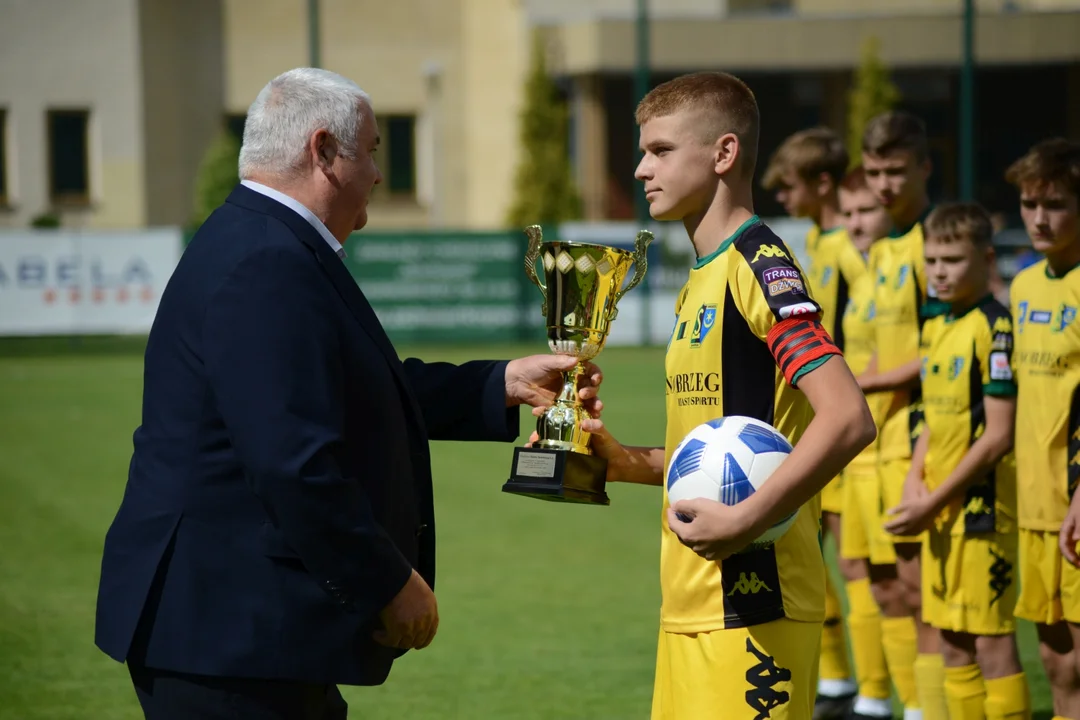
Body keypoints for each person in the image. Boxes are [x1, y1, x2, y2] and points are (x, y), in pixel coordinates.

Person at [93, 67, 600, 720]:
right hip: (226, 637)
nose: (380, 175)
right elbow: (290, 458)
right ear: (324, 152)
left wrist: (497, 383)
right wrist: (386, 581)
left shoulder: (260, 241)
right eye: (373, 152)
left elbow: (343, 390)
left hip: (237, 632)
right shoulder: (266, 261)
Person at [557, 71, 876, 720]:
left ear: (724, 153)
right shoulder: (700, 278)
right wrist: (619, 460)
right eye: (644, 151)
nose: (642, 168)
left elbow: (847, 418)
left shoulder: (759, 266)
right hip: (689, 600)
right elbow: (707, 452)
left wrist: (747, 519)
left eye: (662, 150)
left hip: (756, 598)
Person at [885, 203, 1031, 720]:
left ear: (985, 258)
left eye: (951, 259)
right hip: (938, 507)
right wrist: (912, 484)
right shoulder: (938, 321)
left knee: (990, 645)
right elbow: (933, 420)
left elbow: (998, 436)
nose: (938, 271)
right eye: (931, 259)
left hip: (981, 510)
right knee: (949, 640)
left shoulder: (996, 327)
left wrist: (934, 502)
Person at [762, 127, 871, 720]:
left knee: (852, 562)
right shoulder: (813, 245)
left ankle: (868, 689)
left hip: (847, 420)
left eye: (790, 185)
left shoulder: (851, 252)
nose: (783, 196)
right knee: (815, 549)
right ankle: (835, 680)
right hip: (810, 421)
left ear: (822, 183)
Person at [858, 110, 946, 720]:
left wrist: (867, 381)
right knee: (885, 586)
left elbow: (950, 350)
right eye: (873, 173)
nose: (884, 184)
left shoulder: (934, 244)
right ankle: (908, 706)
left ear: (923, 167)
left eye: (896, 170)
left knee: (923, 595)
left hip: (923, 438)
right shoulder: (883, 247)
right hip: (874, 442)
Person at [1006, 137, 1080, 720]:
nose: (1037, 217)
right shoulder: (1024, 285)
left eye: (1053, 203)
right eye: (1029, 203)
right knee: (1057, 663)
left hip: (1077, 499)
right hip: (1032, 503)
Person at [836, 165, 896, 720]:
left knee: (905, 591)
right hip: (858, 451)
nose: (854, 223)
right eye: (848, 212)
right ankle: (873, 697)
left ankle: (916, 704)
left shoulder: (910, 263)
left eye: (865, 211)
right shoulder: (866, 268)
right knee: (858, 569)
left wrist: (861, 382)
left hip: (895, 449)